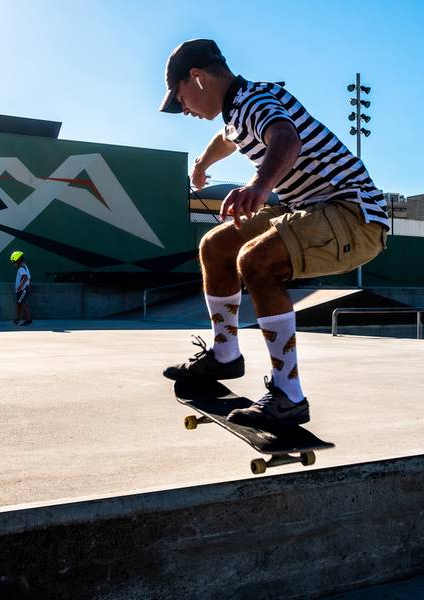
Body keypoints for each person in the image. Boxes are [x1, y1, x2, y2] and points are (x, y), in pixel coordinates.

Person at [159, 39, 389, 427]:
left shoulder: (255, 100)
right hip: (308, 206)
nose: (184, 110)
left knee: (256, 260)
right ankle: (225, 355)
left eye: (181, 99)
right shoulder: (238, 110)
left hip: (352, 211)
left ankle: (288, 395)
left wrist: (260, 185)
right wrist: (201, 164)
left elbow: (286, 138)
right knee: (215, 246)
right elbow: (226, 139)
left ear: (197, 77)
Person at [10, 250, 33, 326]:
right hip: (22, 290)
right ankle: (17, 319)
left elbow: (25, 277)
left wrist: (19, 287)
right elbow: (29, 278)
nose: (13, 264)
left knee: (22, 303)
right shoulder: (25, 267)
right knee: (19, 303)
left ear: (18, 261)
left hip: (23, 290)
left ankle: (28, 320)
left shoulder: (21, 269)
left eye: (13, 262)